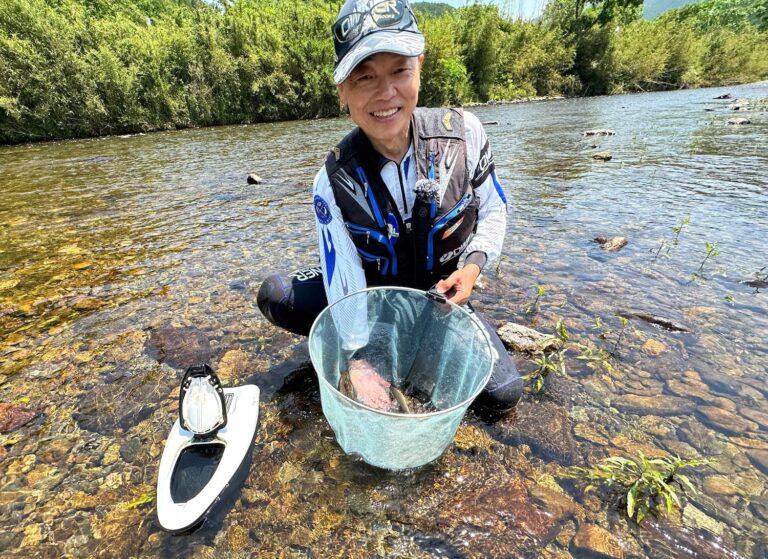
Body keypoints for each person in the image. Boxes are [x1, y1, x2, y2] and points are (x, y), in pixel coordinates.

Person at [258, 0, 522, 413]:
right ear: (342, 89)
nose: (385, 94)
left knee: (502, 395)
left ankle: (424, 344)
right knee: (276, 295)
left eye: (399, 70)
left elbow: (493, 210)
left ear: (420, 67)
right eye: (365, 77)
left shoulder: (465, 134)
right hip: (372, 303)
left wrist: (471, 269)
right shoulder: (331, 180)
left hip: (441, 304)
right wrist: (356, 359)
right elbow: (344, 276)